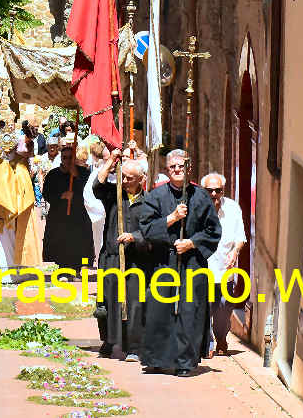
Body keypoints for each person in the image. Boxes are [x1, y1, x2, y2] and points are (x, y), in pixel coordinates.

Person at [138, 149, 221, 377]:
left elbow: (213, 231)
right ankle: (156, 358)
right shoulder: (155, 196)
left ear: (189, 169)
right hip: (163, 262)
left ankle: (185, 362)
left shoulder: (202, 197)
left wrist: (192, 243)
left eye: (181, 166)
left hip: (191, 264)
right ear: (167, 170)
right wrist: (172, 218)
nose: (177, 170)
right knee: (160, 310)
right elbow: (145, 228)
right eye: (173, 167)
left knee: (188, 311)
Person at [93, 149, 152, 362]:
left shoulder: (149, 202)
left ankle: (133, 347)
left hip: (136, 260)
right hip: (111, 257)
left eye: (130, 178)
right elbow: (97, 185)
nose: (125, 181)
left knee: (135, 303)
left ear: (141, 180)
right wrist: (111, 161)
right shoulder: (114, 195)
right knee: (107, 301)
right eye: (123, 176)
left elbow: (153, 230)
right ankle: (109, 341)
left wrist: (135, 237)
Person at [0, 133, 42, 274]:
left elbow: (25, 186)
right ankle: (1, 273)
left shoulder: (21, 163)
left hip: (17, 208)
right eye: (5, 149)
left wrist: (18, 203)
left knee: (16, 239)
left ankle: (17, 272)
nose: (8, 152)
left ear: (15, 147)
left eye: (11, 149)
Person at [200, 172, 246, 357]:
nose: (213, 194)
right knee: (205, 307)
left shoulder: (233, 208)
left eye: (217, 190)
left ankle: (221, 337)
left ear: (223, 191)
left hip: (225, 270)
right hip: (203, 269)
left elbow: (240, 237)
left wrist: (235, 252)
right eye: (209, 190)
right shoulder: (196, 208)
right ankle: (209, 342)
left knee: (224, 307)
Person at [41, 144, 94, 271]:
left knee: (80, 244)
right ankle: (63, 269)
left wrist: (76, 178)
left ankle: (79, 268)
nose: (68, 160)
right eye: (65, 158)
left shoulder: (84, 173)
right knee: (61, 243)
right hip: (60, 216)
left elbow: (89, 192)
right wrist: (61, 196)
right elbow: (47, 193)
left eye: (70, 157)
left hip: (78, 216)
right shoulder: (53, 174)